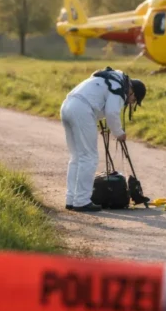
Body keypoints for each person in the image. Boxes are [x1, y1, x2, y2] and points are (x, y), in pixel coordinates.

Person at [60, 67, 146, 212]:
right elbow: (112, 112)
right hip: (82, 110)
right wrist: (119, 133)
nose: (130, 103)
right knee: (89, 157)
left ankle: (71, 199)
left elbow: (102, 104)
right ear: (132, 91)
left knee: (77, 157)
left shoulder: (109, 79)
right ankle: (81, 202)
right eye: (133, 100)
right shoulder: (119, 88)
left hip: (67, 106)